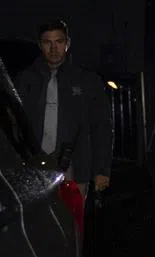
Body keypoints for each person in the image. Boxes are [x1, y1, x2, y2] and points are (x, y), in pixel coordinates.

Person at [14, 20, 113, 197]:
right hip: (33, 167)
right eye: (47, 42)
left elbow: (102, 127)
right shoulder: (25, 80)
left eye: (59, 42)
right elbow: (14, 123)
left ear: (67, 43)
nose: (54, 49)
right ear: (40, 45)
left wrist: (101, 170)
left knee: (71, 220)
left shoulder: (87, 81)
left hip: (73, 167)